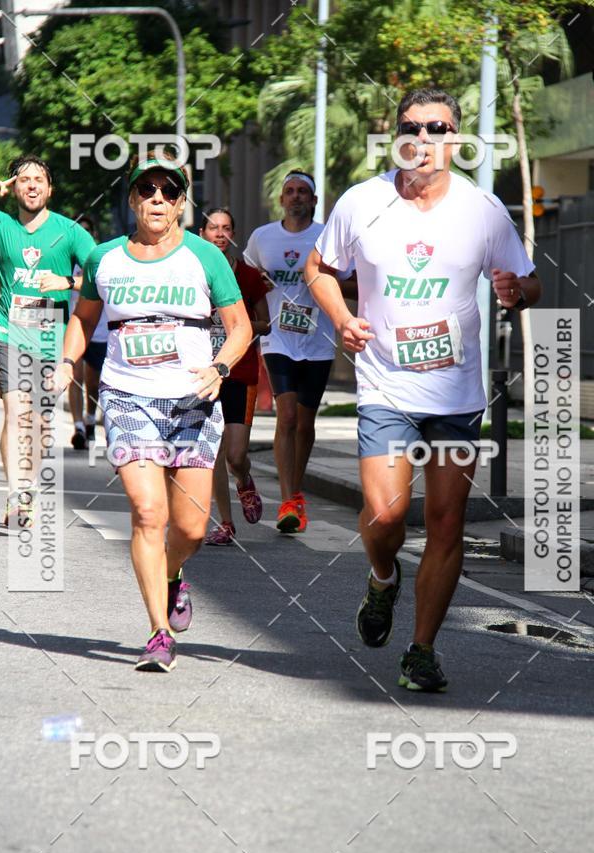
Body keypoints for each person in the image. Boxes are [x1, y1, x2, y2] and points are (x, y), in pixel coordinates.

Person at [306, 88, 541, 692]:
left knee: (445, 522)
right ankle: (383, 577)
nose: (424, 138)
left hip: (456, 394)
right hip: (385, 385)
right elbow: (318, 269)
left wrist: (516, 293)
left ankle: (422, 650)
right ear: (398, 137)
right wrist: (342, 317)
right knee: (386, 516)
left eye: (437, 128)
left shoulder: (483, 209)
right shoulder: (363, 202)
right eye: (412, 127)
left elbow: (530, 283)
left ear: (455, 138)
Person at [54, 151, 252, 672]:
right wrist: (67, 361)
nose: (157, 199)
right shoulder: (104, 258)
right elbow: (84, 319)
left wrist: (221, 367)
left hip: (193, 400)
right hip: (128, 396)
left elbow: (240, 327)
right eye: (147, 190)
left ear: (181, 203)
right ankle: (159, 633)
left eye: (168, 191)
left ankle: (172, 574)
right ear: (132, 199)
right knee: (147, 513)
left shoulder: (205, 257)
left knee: (190, 530)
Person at [0, 155, 95, 525]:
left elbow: (103, 275)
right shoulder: (1, 223)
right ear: (13, 187)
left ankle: (29, 487)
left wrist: (68, 282)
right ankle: (15, 494)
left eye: (39, 179)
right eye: (23, 179)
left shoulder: (70, 232)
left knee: (37, 421)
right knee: (16, 410)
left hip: (51, 337)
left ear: (50, 189)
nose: (32, 185)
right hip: (6, 330)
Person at [244, 170, 334, 534]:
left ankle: (296, 494)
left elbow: (352, 281)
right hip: (277, 337)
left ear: (313, 200)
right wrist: (257, 286)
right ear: (281, 199)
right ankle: (287, 501)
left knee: (305, 423)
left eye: (302, 192)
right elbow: (244, 280)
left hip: (319, 340)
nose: (296, 196)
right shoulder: (262, 237)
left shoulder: (327, 237)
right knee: (288, 416)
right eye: (290, 191)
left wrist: (324, 281)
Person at [199, 207, 270, 545]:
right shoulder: (192, 272)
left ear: (233, 234)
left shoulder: (249, 276)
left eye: (226, 228)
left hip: (240, 372)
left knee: (235, 455)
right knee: (213, 453)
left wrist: (236, 322)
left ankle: (243, 480)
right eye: (213, 228)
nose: (220, 234)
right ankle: (226, 523)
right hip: (204, 374)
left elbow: (265, 324)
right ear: (202, 233)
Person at [67, 215, 107, 449]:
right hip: (74, 328)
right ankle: (78, 427)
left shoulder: (100, 261)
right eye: (78, 231)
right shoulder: (67, 261)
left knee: (93, 382)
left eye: (87, 231)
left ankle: (90, 418)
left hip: (99, 330)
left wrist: (69, 281)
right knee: (75, 376)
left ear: (93, 234)